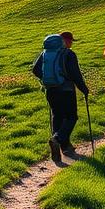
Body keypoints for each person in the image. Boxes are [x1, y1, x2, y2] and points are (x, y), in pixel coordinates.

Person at [32, 31, 88, 163]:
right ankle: (57, 139)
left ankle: (63, 148)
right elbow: (75, 74)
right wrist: (84, 89)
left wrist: (46, 79)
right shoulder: (68, 54)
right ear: (62, 42)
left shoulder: (45, 54)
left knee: (57, 116)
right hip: (66, 90)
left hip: (50, 90)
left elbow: (35, 70)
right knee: (71, 117)